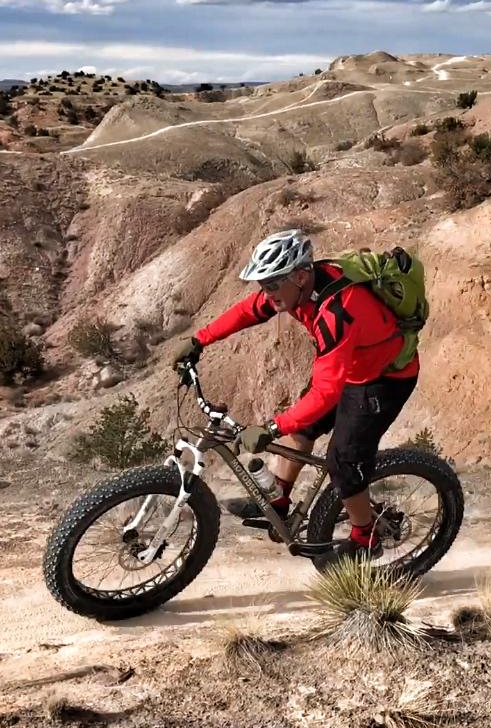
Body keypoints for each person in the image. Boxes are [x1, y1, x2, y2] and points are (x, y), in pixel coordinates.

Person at [171, 229, 419, 567]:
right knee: (301, 429)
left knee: (343, 460)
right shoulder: (293, 292)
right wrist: (200, 340)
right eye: (263, 284)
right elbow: (248, 311)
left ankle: (366, 536)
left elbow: (327, 392)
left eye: (272, 284)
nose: (266, 293)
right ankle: (279, 501)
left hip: (383, 379)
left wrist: (271, 429)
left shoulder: (338, 312)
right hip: (349, 368)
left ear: (301, 275)